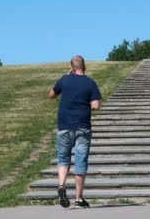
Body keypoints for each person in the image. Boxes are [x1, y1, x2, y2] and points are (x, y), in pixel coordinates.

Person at [49, 55, 101, 209]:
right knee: (81, 162)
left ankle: (61, 185)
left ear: (71, 67)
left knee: (63, 158)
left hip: (64, 126)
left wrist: (65, 76)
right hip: (82, 127)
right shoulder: (90, 83)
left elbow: (51, 95)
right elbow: (96, 106)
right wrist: (86, 104)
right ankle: (78, 198)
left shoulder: (64, 80)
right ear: (84, 66)